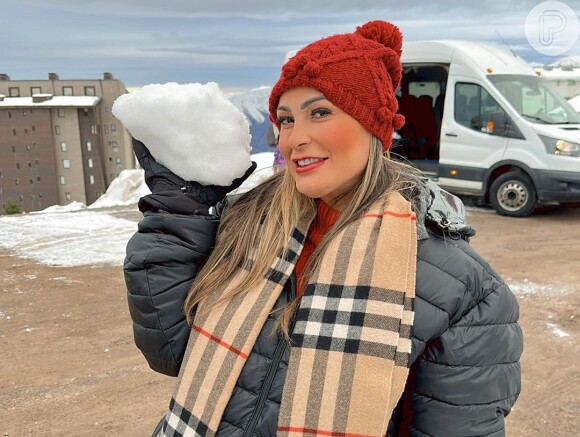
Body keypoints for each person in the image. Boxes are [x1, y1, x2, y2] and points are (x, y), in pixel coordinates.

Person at [124, 20, 522, 437]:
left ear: (373, 127)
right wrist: (176, 215)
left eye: (319, 112)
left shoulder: (464, 289)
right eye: (286, 119)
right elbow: (170, 352)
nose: (295, 138)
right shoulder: (246, 223)